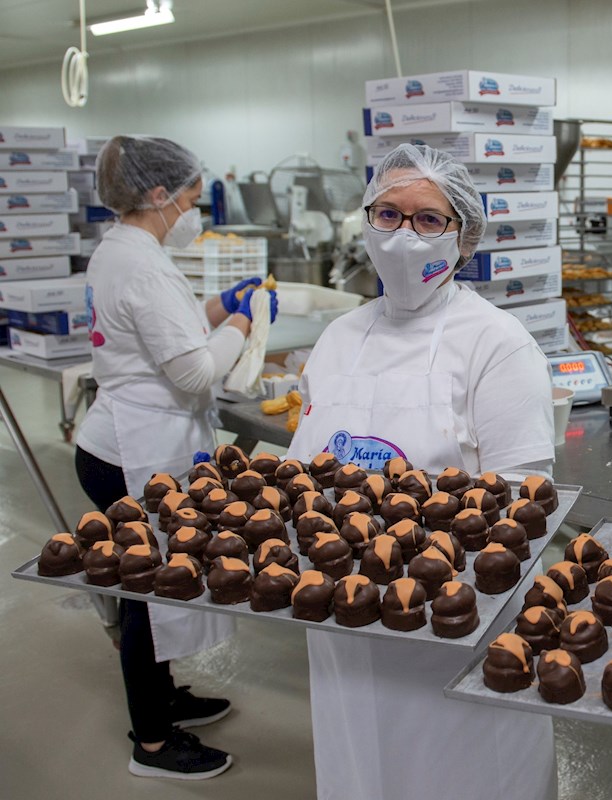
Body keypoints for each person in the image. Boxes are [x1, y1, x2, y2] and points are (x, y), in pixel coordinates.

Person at [286, 143, 556, 799]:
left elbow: (524, 509)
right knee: (360, 769)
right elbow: (300, 475)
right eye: (388, 214)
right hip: (344, 617)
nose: (404, 236)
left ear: (463, 237)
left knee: (462, 777)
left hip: (455, 622)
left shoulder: (497, 343)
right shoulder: (340, 337)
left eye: (428, 220)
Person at [74, 135, 278, 780]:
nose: (196, 211)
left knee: (158, 578)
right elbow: (193, 371)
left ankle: (163, 698)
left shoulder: (124, 251)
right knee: (148, 588)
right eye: (192, 198)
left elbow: (172, 324)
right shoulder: (141, 265)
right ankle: (154, 744)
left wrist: (222, 305)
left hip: (121, 436)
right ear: (159, 195)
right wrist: (242, 325)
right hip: (134, 449)